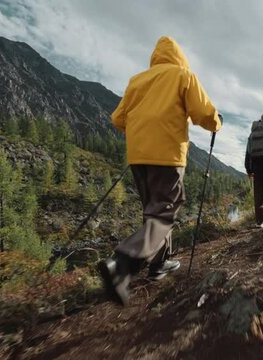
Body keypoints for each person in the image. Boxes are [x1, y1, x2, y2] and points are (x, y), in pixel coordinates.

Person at [98, 36, 222, 306]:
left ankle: (158, 265)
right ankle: (121, 263)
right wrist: (216, 123)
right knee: (166, 210)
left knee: (154, 211)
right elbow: (203, 112)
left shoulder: (137, 80)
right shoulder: (182, 75)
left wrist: (141, 135)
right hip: (167, 154)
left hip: (139, 156)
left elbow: (118, 118)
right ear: (179, 56)